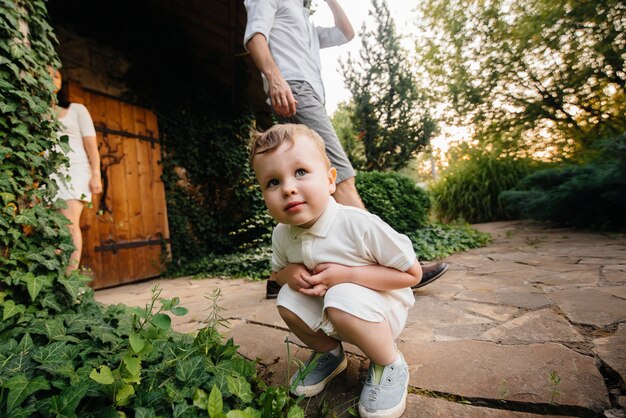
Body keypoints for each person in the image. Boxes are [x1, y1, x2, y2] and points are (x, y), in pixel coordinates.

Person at [243, 0, 448, 299]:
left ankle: (281, 274)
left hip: (308, 91)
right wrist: (275, 79)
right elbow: (254, 36)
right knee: (339, 176)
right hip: (294, 88)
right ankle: (391, 266)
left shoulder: (304, 19)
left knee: (301, 179)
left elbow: (345, 33)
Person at [250, 124, 421, 418]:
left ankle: (389, 362)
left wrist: (348, 274)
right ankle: (330, 354)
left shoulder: (356, 224)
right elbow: (276, 274)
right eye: (273, 182)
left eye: (300, 172)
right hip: (332, 307)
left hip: (380, 310)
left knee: (341, 297)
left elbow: (411, 274)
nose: (288, 188)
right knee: (287, 300)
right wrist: (288, 274)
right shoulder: (282, 234)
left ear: (331, 181)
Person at [50, 68, 102, 273]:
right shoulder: (36, 113)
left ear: (61, 82)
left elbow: (90, 144)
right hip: (49, 175)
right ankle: (55, 276)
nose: (52, 78)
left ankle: (69, 278)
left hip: (76, 171)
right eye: (46, 74)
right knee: (53, 227)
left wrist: (96, 173)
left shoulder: (77, 110)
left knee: (69, 224)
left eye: (56, 75)